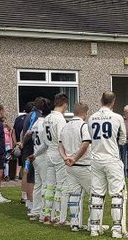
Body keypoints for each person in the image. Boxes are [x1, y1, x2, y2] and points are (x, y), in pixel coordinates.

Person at [88, 90, 128, 238]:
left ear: (101, 100)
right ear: (113, 102)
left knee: (97, 193)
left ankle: (94, 228)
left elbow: (89, 138)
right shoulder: (117, 117)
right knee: (117, 194)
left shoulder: (92, 118)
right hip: (112, 158)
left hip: (95, 159)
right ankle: (117, 230)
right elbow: (123, 139)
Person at [57, 102, 93, 231]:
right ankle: (92, 224)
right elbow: (85, 144)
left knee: (74, 194)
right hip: (83, 165)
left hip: (69, 166)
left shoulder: (65, 127)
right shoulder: (83, 126)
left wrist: (65, 157)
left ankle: (75, 223)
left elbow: (60, 145)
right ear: (84, 113)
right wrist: (75, 158)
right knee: (94, 193)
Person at [40, 93, 69, 223]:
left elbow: (44, 139)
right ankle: (57, 215)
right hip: (58, 153)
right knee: (60, 185)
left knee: (49, 185)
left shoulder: (47, 118)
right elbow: (62, 139)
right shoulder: (60, 119)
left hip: (49, 153)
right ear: (65, 104)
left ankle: (46, 214)